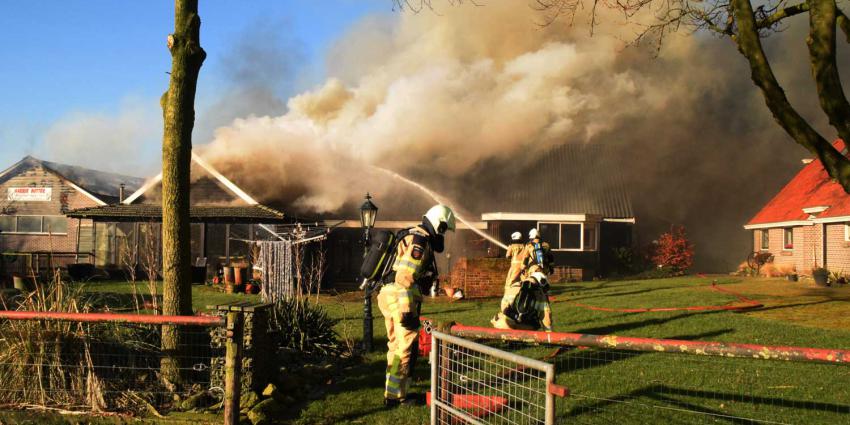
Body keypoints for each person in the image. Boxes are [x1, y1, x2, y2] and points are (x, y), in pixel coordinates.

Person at [377, 204, 455, 407]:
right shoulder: (420, 242)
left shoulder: (412, 235)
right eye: (444, 230)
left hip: (387, 294)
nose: (443, 235)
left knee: (394, 347)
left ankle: (391, 392)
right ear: (440, 225)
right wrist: (407, 311)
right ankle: (396, 397)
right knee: (405, 348)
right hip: (400, 297)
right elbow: (404, 277)